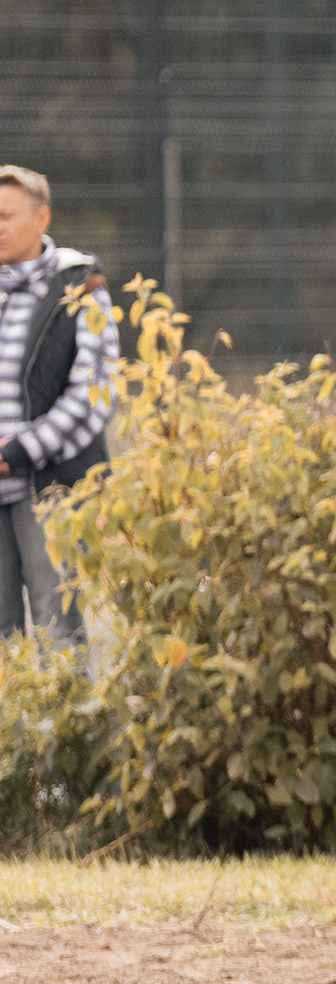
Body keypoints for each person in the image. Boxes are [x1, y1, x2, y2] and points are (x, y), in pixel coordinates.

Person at [0, 166, 117, 644]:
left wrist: (17, 453)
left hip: (51, 489)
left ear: (42, 218)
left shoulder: (82, 285)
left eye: (6, 216)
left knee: (59, 629)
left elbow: (95, 393)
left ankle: (72, 721)